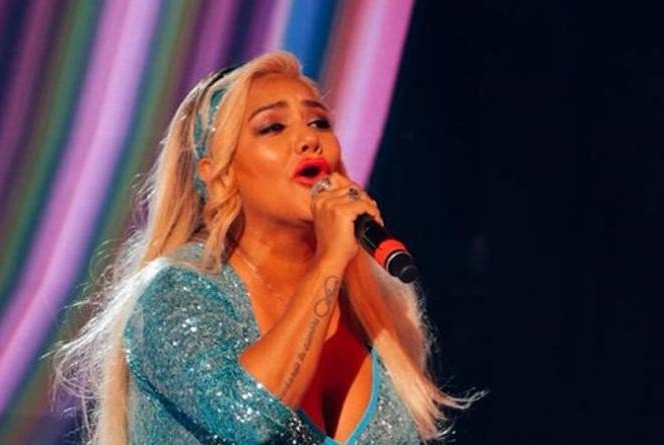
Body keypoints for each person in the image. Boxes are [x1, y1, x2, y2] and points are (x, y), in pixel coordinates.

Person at [55, 51, 471, 444]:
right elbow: (249, 415)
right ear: (217, 175)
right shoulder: (176, 292)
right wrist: (329, 262)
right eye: (273, 127)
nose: (308, 139)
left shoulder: (374, 309)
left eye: (319, 123)